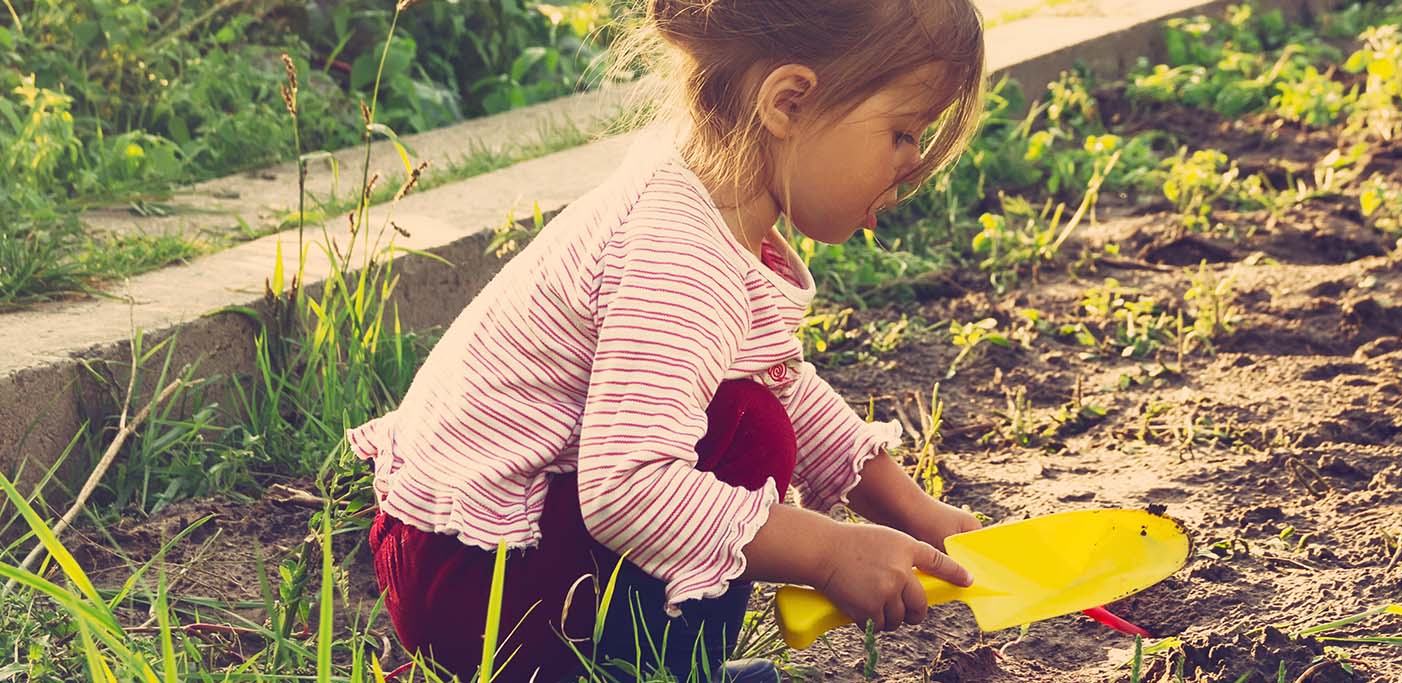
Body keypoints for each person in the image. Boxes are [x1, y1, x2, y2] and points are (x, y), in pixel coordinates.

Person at [349, 1, 988, 680]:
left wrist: (915, 511)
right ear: (790, 102)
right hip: (479, 580)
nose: (914, 162)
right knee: (749, 428)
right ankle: (649, 669)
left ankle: (639, 660)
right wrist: (829, 552)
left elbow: (779, 376)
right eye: (903, 132)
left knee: (748, 410)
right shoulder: (676, 253)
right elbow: (627, 488)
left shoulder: (703, 196)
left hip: (474, 554)